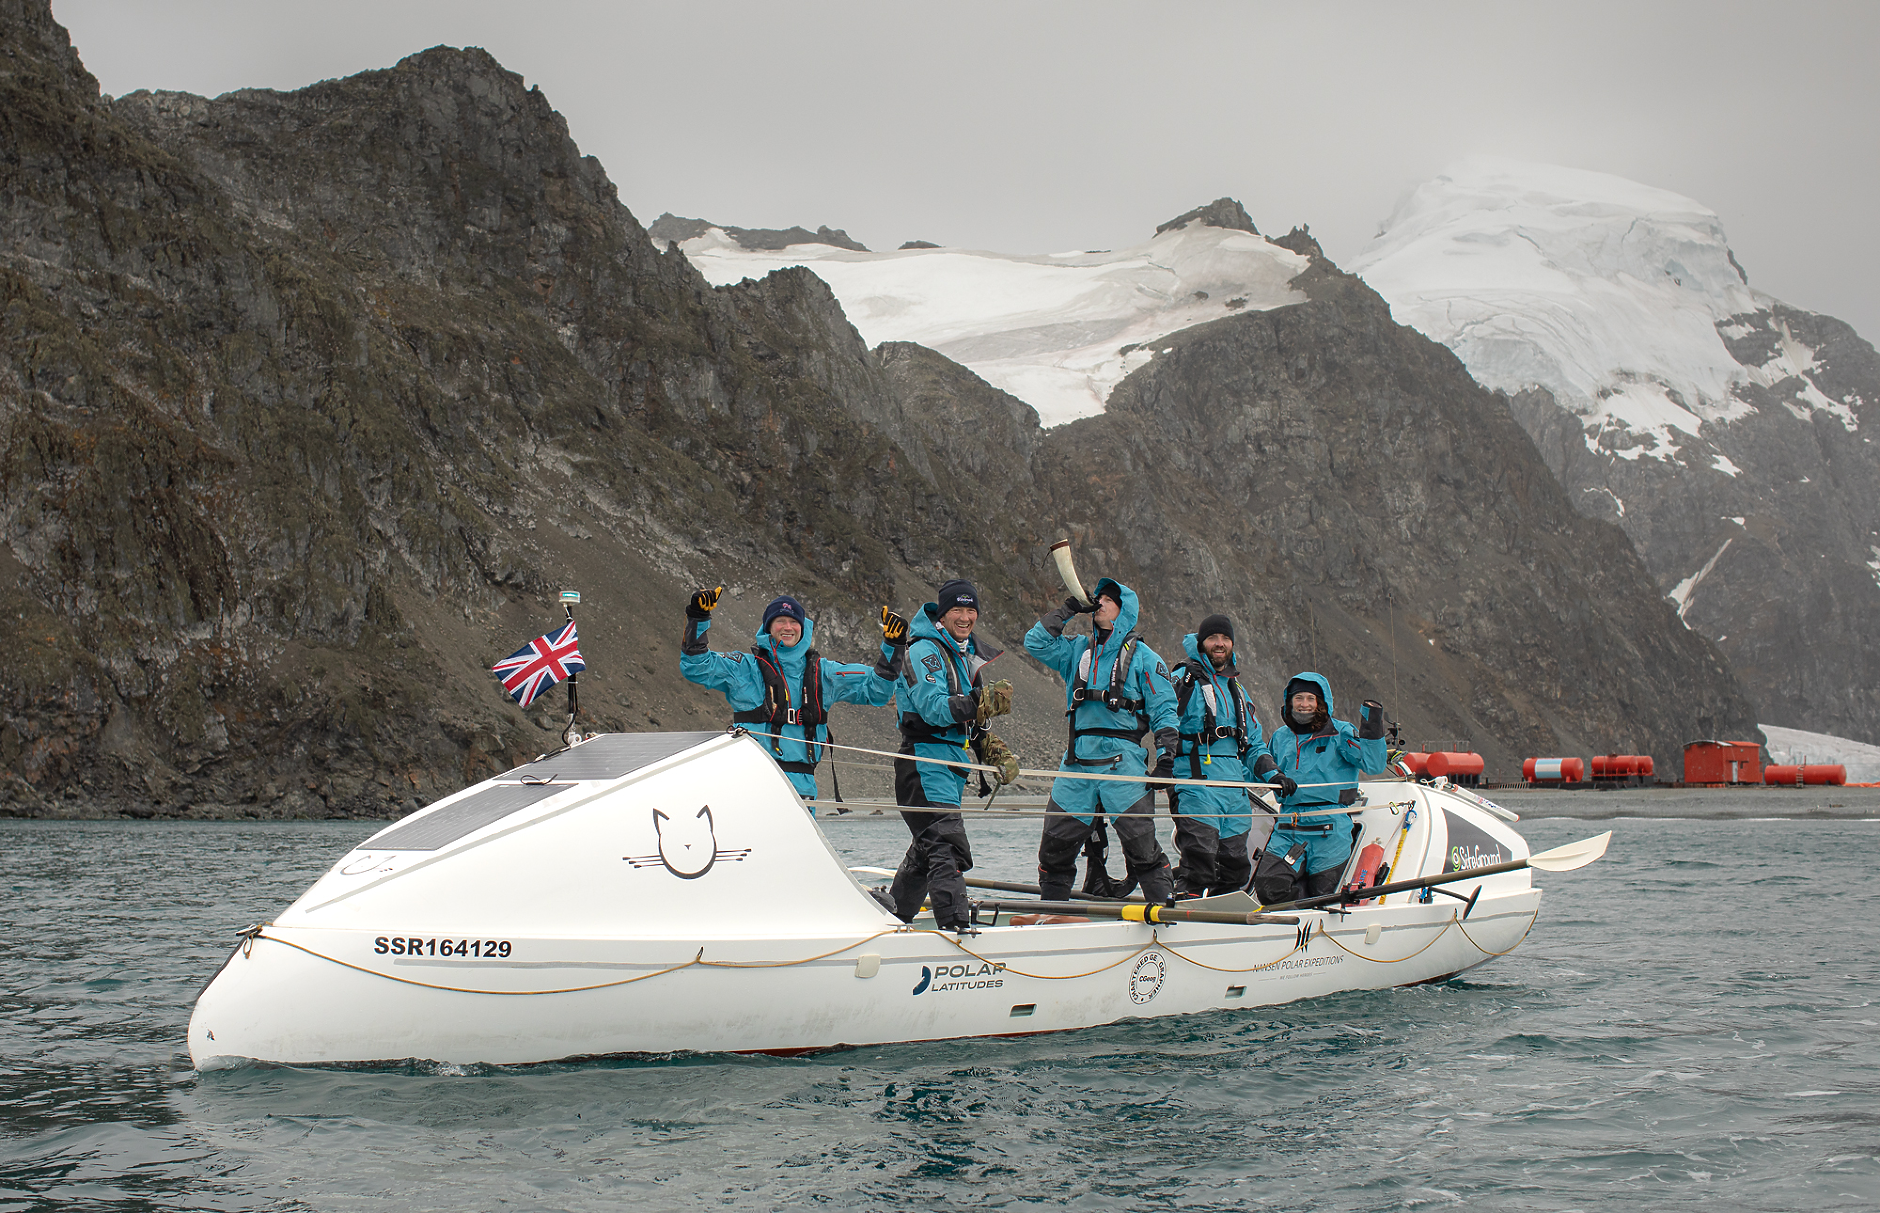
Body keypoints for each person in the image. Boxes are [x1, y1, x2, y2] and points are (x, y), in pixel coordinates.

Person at [681, 587, 906, 813]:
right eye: (780, 621)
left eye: (793, 621)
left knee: (797, 848)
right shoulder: (744, 668)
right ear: (768, 627)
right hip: (750, 782)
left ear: (803, 627)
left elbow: (877, 691)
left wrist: (893, 646)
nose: (787, 627)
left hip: (802, 788)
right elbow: (696, 667)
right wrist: (697, 618)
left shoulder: (824, 673)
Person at [1026, 577, 1178, 905]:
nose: (1100, 603)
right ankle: (1052, 915)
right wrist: (1067, 610)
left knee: (1141, 847)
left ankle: (1167, 914)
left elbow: (1165, 709)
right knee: (1054, 847)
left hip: (1123, 761)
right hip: (1077, 761)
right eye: (1099, 598)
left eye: (1108, 600)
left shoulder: (1146, 659)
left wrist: (1166, 758)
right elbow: (1035, 643)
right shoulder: (1077, 650)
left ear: (1123, 612)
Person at [887, 579, 1017, 932]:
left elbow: (971, 718)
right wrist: (981, 701)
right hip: (924, 764)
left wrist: (990, 751)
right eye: (956, 610)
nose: (964, 617)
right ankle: (956, 929)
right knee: (946, 847)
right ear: (941, 615)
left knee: (927, 848)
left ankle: (892, 920)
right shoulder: (925, 651)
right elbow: (933, 709)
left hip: (948, 767)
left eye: (970, 610)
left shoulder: (961, 655)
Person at [1166, 614, 1286, 897]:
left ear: (1232, 644)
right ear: (1201, 643)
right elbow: (1162, 719)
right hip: (1195, 781)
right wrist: (1162, 762)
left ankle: (1220, 916)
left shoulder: (1238, 691)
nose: (1219, 644)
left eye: (1225, 639)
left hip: (1233, 787)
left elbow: (1254, 744)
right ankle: (1183, 913)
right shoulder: (1184, 679)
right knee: (1200, 860)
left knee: (1235, 867)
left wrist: (1275, 775)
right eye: (1212, 638)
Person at [1251, 672, 1388, 904]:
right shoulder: (1280, 737)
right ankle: (1298, 916)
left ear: (1321, 703)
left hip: (1330, 830)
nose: (1304, 704)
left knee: (1323, 895)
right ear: (1289, 701)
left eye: (1311, 699)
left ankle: (1310, 920)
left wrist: (1372, 723)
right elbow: (1256, 773)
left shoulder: (1341, 732)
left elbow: (1373, 764)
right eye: (1299, 698)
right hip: (1288, 827)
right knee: (1267, 887)